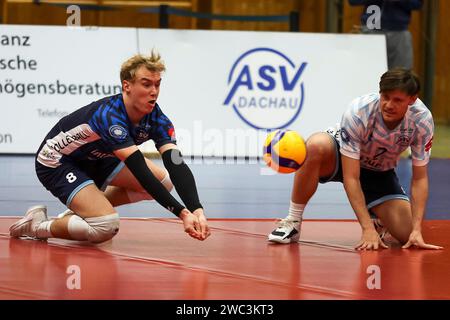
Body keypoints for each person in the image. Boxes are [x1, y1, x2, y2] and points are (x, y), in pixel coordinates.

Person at [9, 51, 211, 244]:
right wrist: (182, 213)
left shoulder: (158, 119)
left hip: (99, 156)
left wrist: (197, 209)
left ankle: (88, 208)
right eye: (146, 84)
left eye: (158, 84)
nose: (154, 91)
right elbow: (140, 171)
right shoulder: (109, 117)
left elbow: (176, 163)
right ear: (127, 86)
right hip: (58, 161)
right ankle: (37, 225)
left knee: (164, 182)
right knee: (106, 227)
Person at [268, 68, 442, 250]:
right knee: (315, 146)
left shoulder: (421, 121)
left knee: (406, 236)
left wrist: (416, 229)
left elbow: (420, 177)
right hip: (340, 157)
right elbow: (351, 177)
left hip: (379, 171)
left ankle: (379, 221)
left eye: (397, 100)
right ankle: (293, 221)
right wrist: (365, 229)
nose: (389, 105)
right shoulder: (360, 111)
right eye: (385, 97)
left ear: (412, 100)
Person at [349, 0, 423, 70]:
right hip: (370, 31)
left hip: (399, 32)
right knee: (365, 72)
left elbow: (417, 3)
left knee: (401, 76)